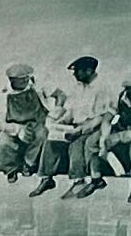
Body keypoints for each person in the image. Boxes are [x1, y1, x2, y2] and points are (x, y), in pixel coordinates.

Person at [49, 53, 114, 195]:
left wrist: (82, 129)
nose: (74, 75)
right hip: (78, 126)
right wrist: (62, 121)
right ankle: (78, 181)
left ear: (89, 71)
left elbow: (103, 116)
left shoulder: (102, 88)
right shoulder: (78, 88)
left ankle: (96, 179)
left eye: (77, 71)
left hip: (98, 126)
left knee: (88, 144)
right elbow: (71, 110)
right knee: (74, 145)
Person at [0, 64, 53, 195]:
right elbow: (0, 123)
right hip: (13, 125)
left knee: (42, 134)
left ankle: (29, 163)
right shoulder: (3, 96)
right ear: (12, 80)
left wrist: (56, 109)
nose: (25, 81)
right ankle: (11, 169)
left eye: (26, 78)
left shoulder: (37, 89)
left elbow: (59, 96)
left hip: (36, 123)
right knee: (2, 143)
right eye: (21, 79)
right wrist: (17, 129)